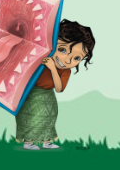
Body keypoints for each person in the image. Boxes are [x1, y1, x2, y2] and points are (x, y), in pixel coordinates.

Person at [16, 19, 96, 149]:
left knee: (48, 118)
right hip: (31, 93)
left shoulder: (65, 71)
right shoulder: (39, 60)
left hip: (48, 96)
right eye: (62, 50)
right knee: (30, 117)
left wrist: (53, 68)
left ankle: (46, 141)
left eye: (76, 58)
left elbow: (59, 88)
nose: (67, 60)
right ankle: (28, 142)